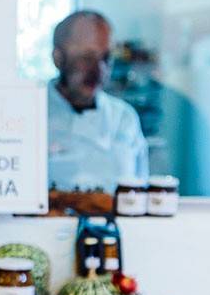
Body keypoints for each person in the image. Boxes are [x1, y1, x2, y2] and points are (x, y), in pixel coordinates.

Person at [46, 10, 149, 192]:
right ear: (58, 58)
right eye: (87, 58)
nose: (99, 70)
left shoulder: (124, 118)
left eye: (106, 58)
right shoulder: (31, 114)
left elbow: (139, 193)